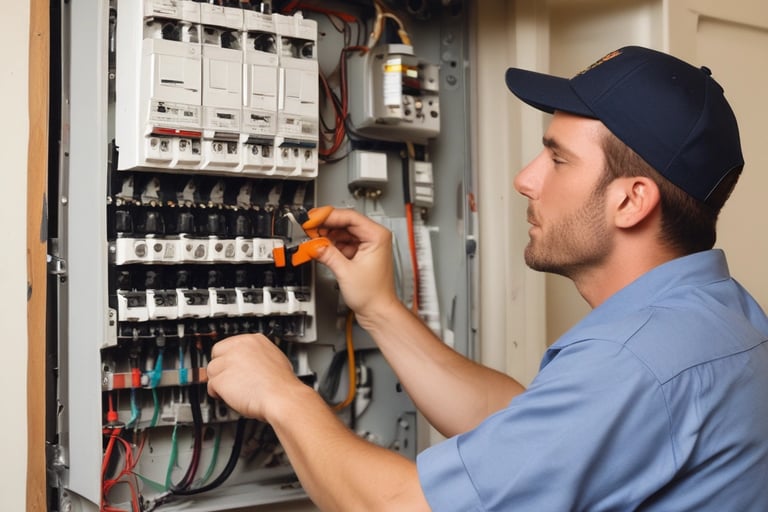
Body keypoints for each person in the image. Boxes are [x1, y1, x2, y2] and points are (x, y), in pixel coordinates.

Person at [206, 46, 768, 511]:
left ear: (630, 201)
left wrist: (281, 395)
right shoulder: (721, 317)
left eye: (558, 159)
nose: (526, 179)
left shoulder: (636, 360)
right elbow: (529, 430)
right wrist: (380, 308)